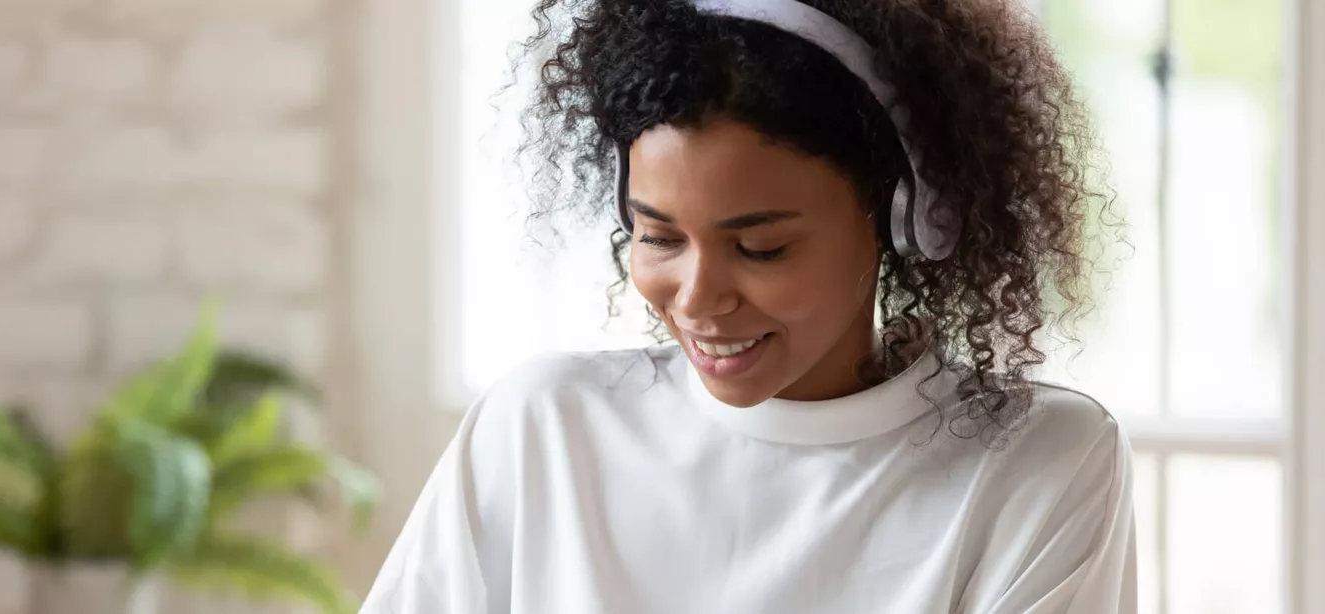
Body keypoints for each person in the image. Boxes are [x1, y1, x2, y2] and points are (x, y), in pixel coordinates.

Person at [362, 0, 1135, 611]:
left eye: (760, 249)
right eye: (658, 237)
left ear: (903, 217)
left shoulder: (1038, 464)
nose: (698, 299)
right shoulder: (543, 427)